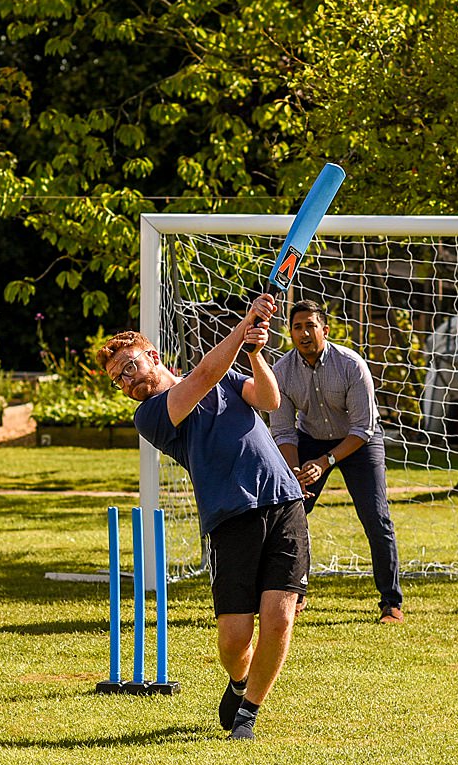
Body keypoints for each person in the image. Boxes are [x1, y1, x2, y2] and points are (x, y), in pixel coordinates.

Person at [98, 294, 306, 740]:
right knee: (234, 640)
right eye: (119, 380)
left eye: (130, 367)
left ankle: (249, 713)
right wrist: (244, 324)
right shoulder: (150, 414)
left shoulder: (227, 374)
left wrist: (254, 353)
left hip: (283, 501)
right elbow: (205, 376)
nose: (128, 382)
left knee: (280, 618)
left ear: (153, 356)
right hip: (229, 518)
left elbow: (268, 399)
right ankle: (238, 680)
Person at [269, 299, 404, 624]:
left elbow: (363, 428)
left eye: (310, 326)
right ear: (290, 333)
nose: (304, 333)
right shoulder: (280, 372)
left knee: (376, 517)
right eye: (297, 327)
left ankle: (391, 602)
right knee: (293, 513)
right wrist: (295, 471)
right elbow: (284, 431)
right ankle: (294, 594)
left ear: (324, 330)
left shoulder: (351, 365)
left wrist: (325, 461)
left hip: (359, 442)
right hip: (310, 439)